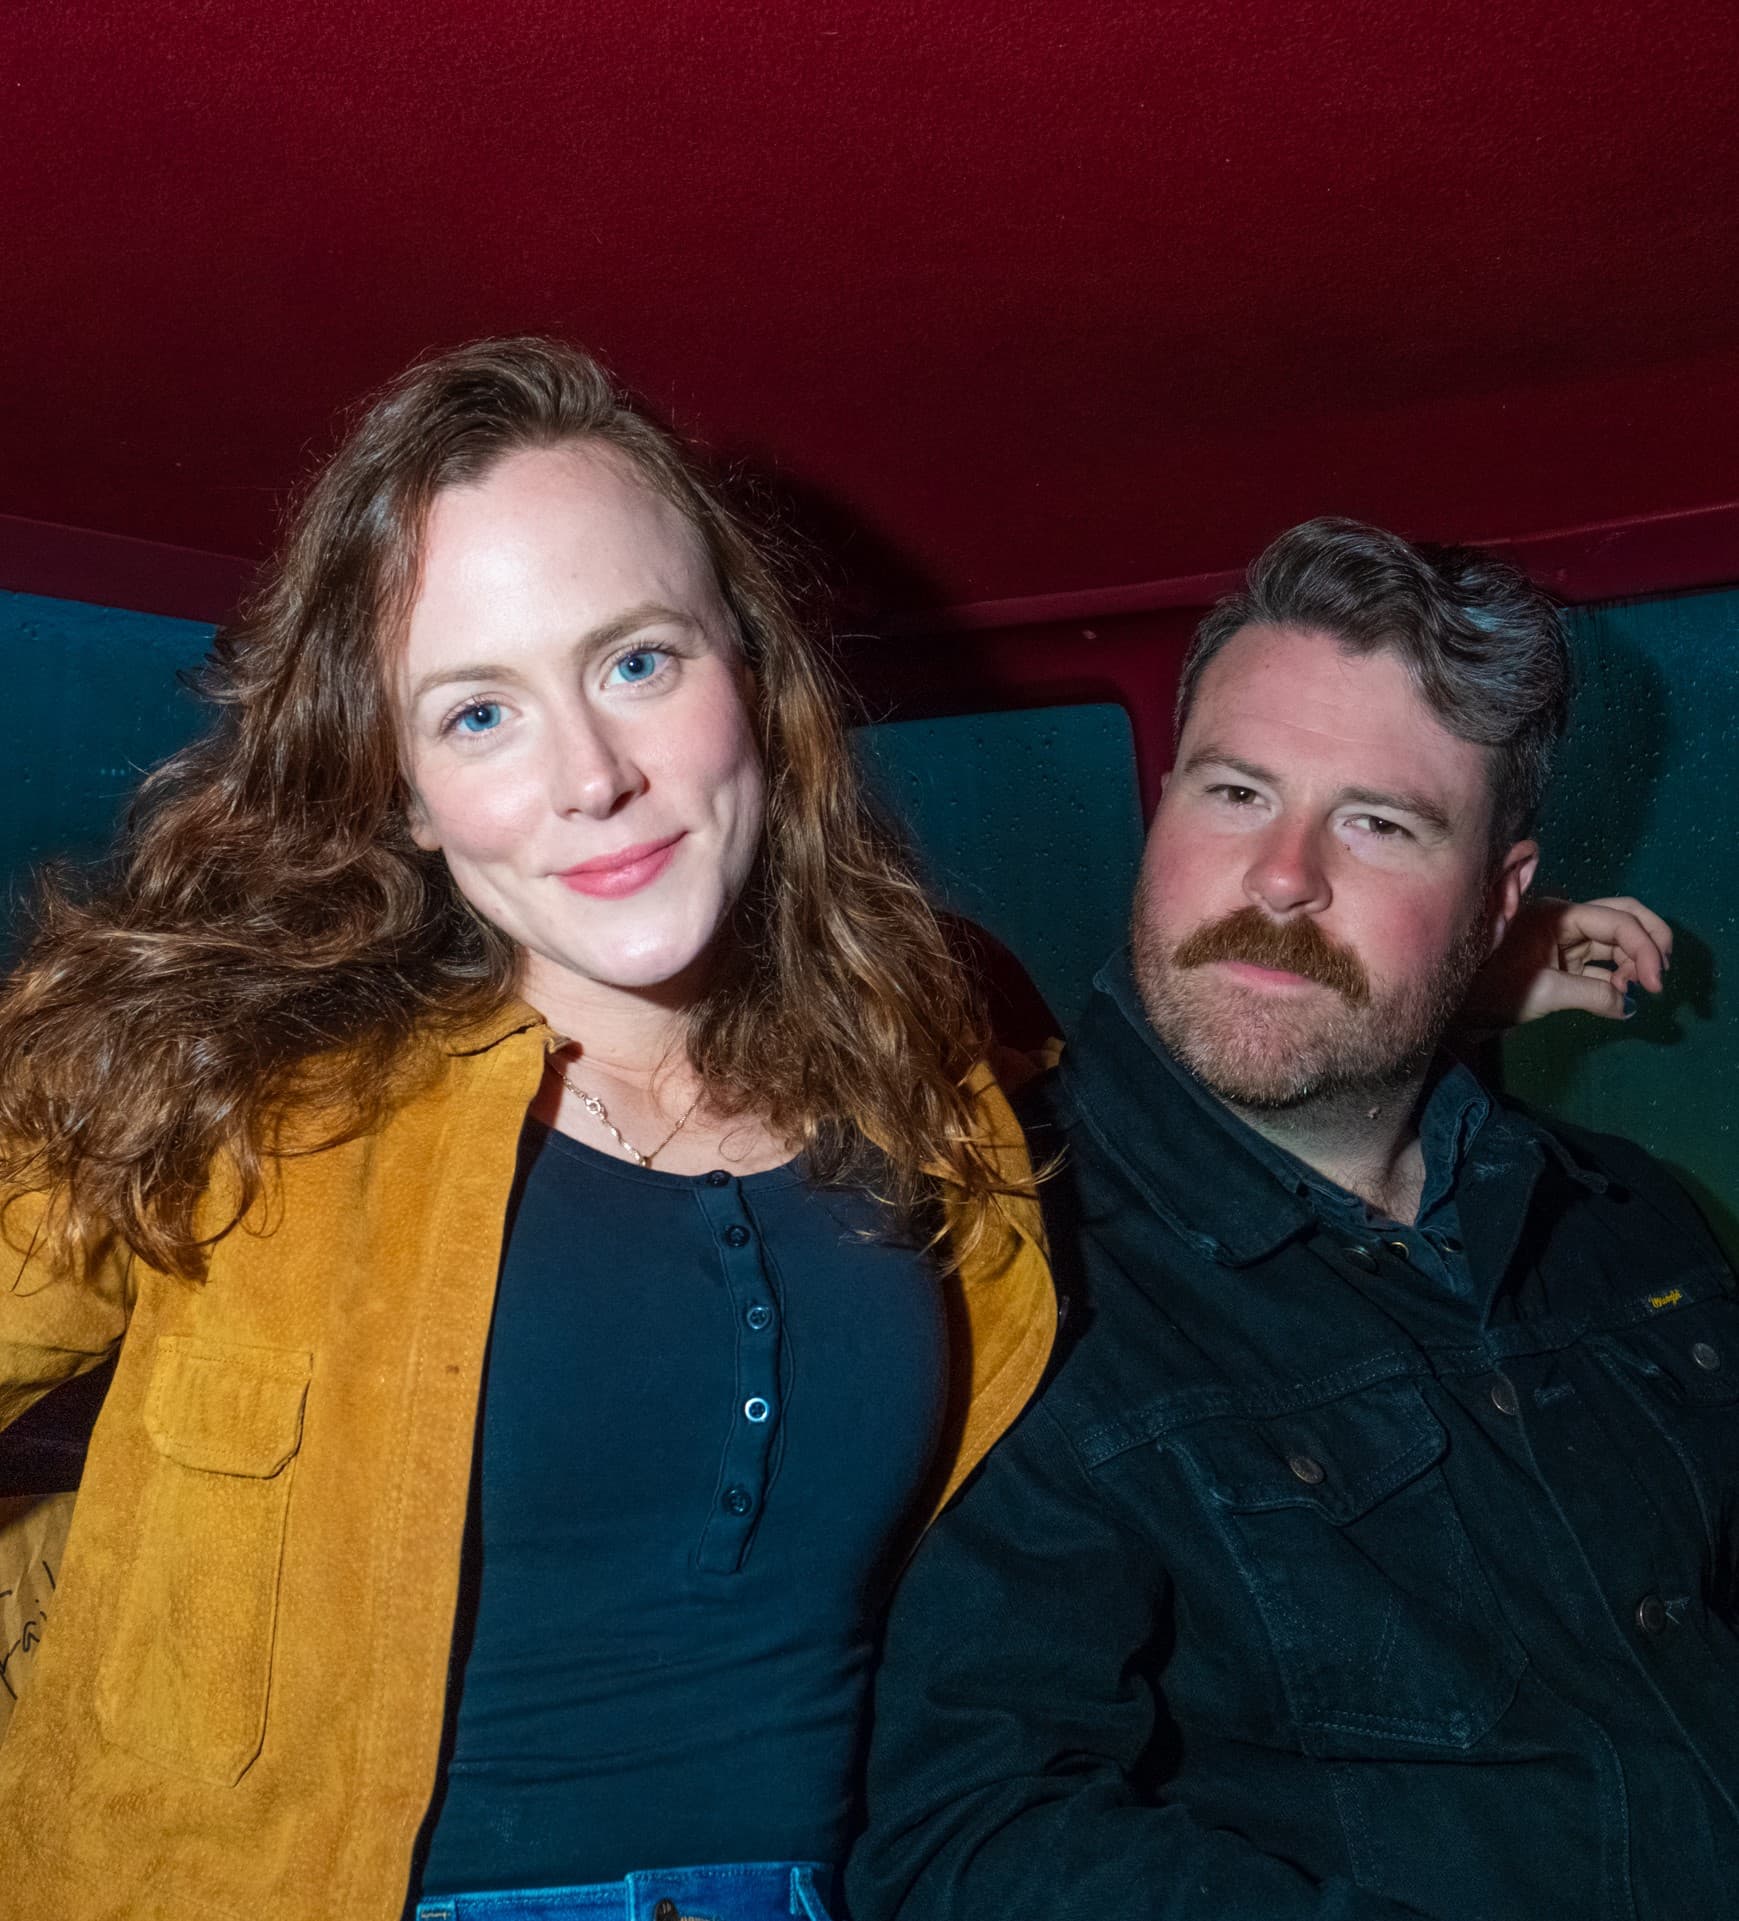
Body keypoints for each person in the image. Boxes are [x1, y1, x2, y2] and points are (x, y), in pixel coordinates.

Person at [0, 338, 1057, 1921]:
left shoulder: (934, 1089)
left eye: (638, 661)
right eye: (479, 712)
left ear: (750, 674)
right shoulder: (226, 1096)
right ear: (405, 790)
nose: (593, 776)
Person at [847, 518, 1729, 1921]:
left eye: (1377, 823)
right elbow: (968, 1842)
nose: (1281, 877)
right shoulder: (999, 1281)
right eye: (1238, 791)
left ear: (1500, 902)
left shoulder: (1633, 1232)